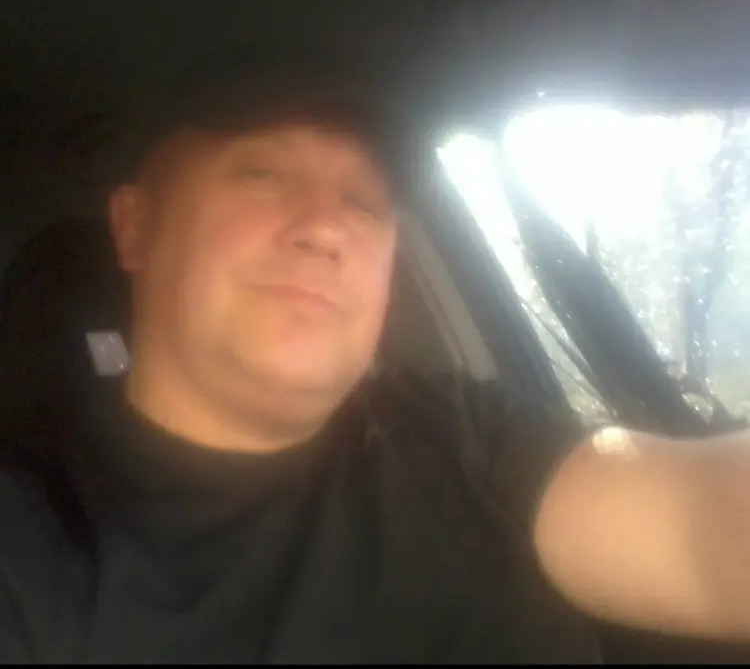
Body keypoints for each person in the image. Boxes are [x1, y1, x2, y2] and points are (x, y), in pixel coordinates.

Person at [1, 46, 750, 664]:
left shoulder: (466, 438)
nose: (326, 226)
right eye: (261, 174)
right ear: (135, 227)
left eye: (363, 202)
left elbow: (701, 529)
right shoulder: (32, 536)